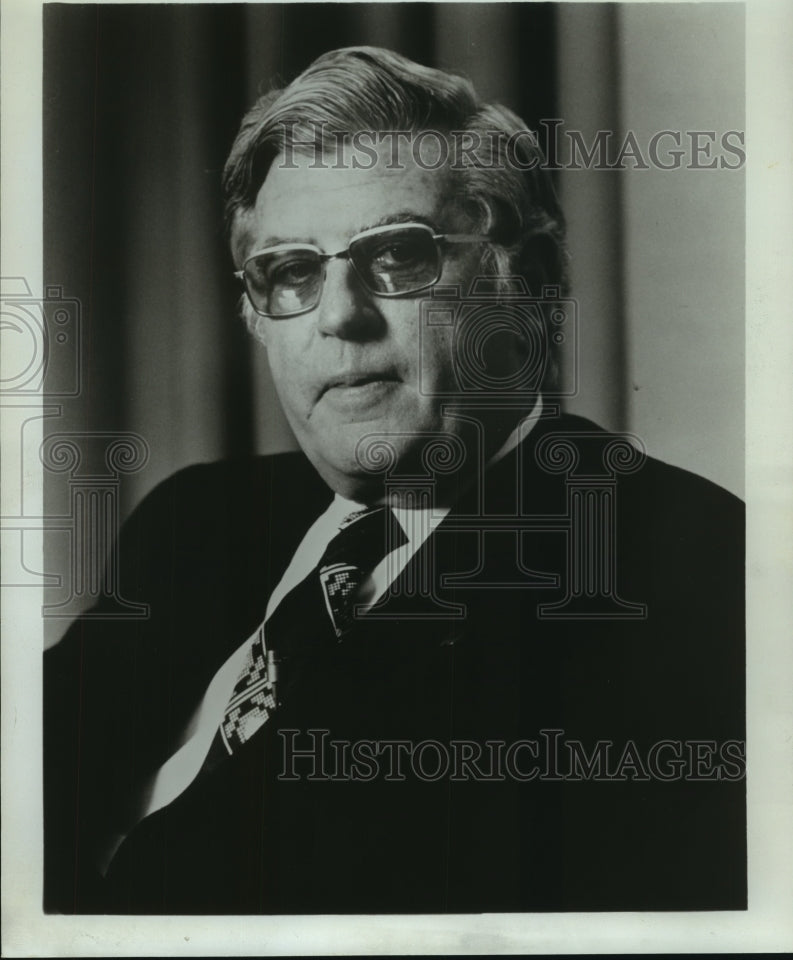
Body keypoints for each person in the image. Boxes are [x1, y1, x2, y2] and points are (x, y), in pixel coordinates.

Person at [44, 46, 745, 915]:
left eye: (397, 258)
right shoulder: (196, 520)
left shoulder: (686, 570)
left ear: (525, 284)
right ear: (258, 318)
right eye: (292, 272)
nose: (339, 316)